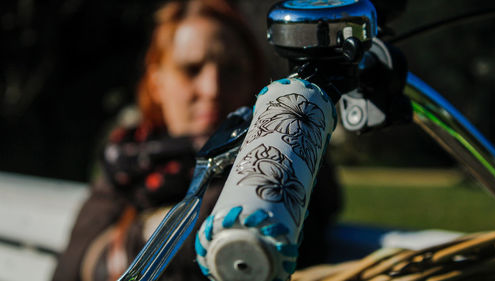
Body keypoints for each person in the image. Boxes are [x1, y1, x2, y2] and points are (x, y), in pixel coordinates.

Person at [52, 0, 342, 280]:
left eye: (231, 70)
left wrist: (133, 236)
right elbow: (70, 268)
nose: (212, 89)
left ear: (253, 80)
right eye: (191, 69)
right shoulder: (128, 159)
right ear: (157, 81)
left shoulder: (289, 156)